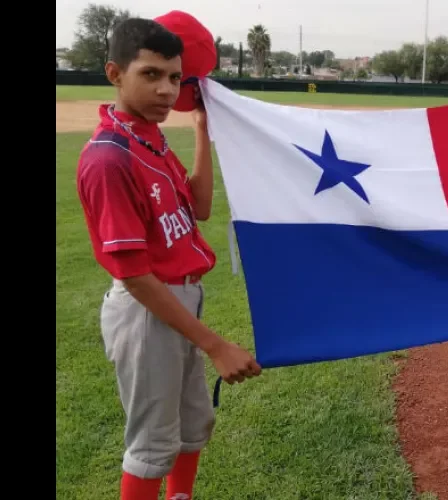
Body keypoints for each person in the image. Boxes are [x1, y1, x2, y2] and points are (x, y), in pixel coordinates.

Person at [75, 18, 262, 500]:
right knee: (153, 442)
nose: (166, 89)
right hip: (146, 312)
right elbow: (134, 275)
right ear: (115, 74)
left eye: (175, 78)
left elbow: (197, 208)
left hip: (179, 304)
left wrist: (202, 130)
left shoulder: (149, 140)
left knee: (193, 424)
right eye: (151, 74)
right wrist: (216, 345)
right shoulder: (109, 157)